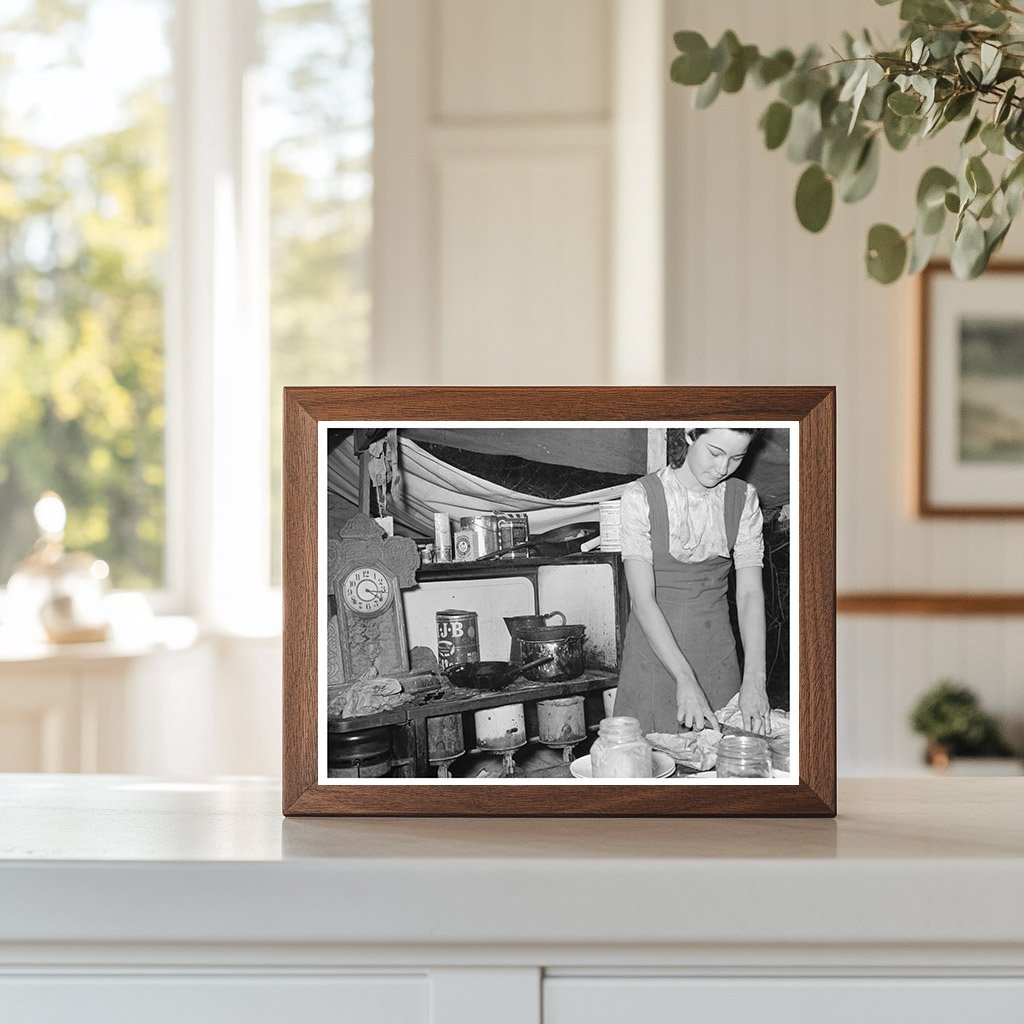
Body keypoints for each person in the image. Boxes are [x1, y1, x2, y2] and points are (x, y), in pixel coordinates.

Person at [613, 427, 769, 735]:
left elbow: (750, 594)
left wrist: (755, 678)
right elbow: (642, 599)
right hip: (653, 662)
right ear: (689, 434)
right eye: (715, 453)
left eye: (737, 457)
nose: (723, 468)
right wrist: (685, 679)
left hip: (717, 662)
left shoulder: (744, 500)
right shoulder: (640, 496)